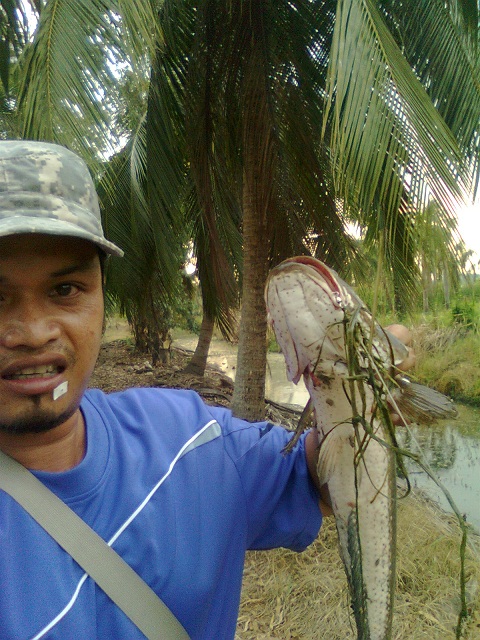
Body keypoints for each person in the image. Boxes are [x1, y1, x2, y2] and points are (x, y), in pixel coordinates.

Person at [0, 141, 411, 640]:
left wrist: (362, 401)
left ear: (102, 296)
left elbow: (320, 476)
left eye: (64, 290)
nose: (32, 331)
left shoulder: (190, 438)